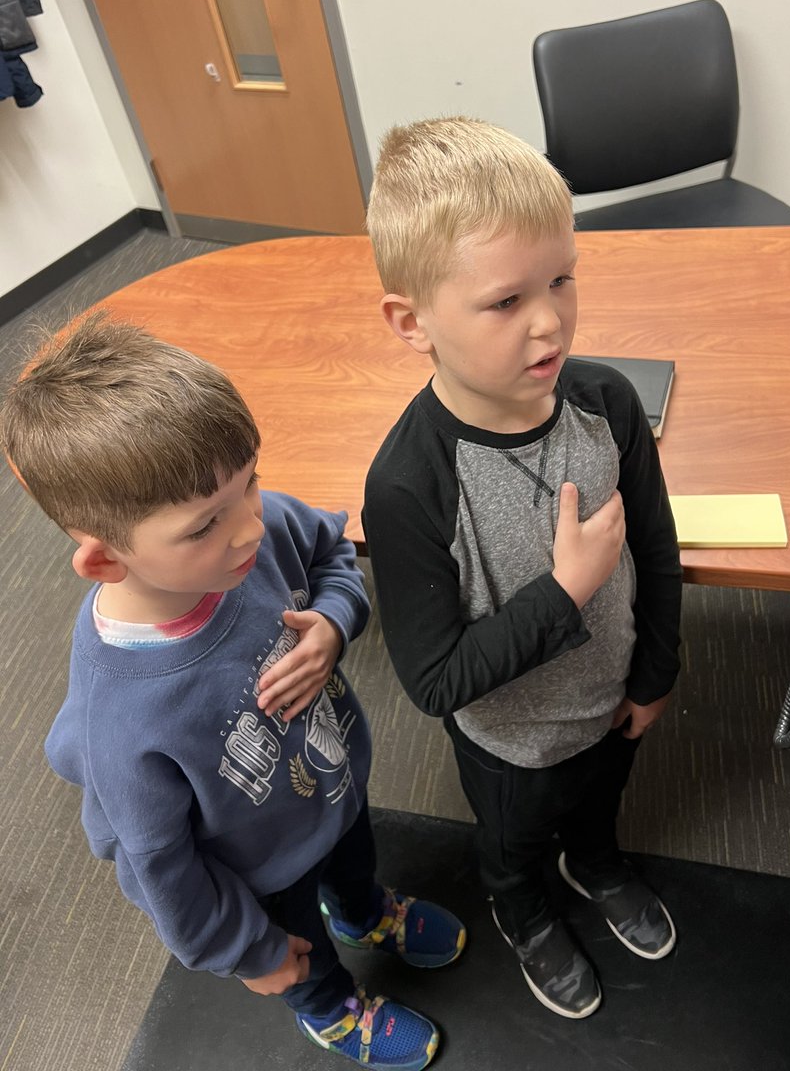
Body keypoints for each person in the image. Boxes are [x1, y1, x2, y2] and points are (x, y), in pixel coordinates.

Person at [0, 312, 465, 1071]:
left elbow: (333, 559)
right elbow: (159, 867)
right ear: (105, 561)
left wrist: (334, 624)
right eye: (205, 524)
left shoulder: (257, 529)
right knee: (300, 957)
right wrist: (248, 953)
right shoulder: (122, 720)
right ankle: (329, 1010)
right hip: (261, 872)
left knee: (354, 863)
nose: (249, 528)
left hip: (335, 790)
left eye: (250, 481)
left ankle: (364, 911)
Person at [362, 117, 682, 1020]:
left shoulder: (605, 402)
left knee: (598, 806)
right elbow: (432, 680)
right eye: (506, 302)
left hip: (613, 699)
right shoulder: (408, 484)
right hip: (508, 746)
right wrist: (567, 591)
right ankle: (524, 908)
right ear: (411, 322)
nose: (550, 321)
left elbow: (656, 543)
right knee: (513, 844)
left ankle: (596, 862)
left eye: (562, 279)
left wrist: (657, 668)